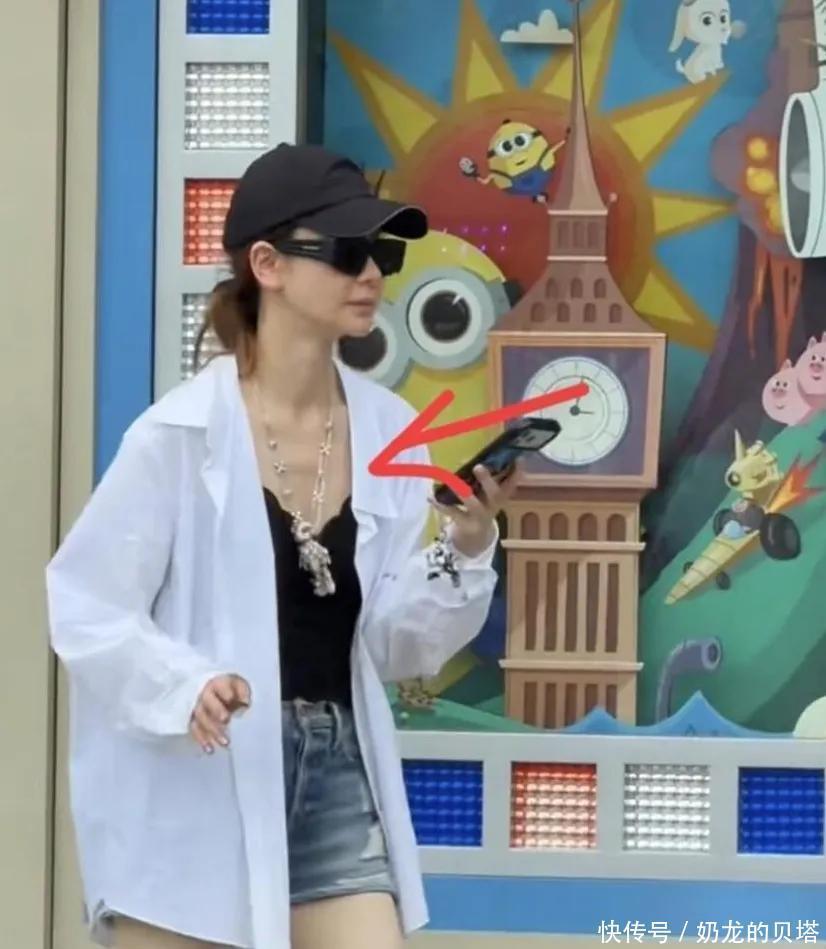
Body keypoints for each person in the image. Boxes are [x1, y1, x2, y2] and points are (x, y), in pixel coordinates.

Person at [46, 143, 518, 949]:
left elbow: (391, 643)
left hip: (336, 770)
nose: (369, 273)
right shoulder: (178, 435)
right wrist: (185, 683)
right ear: (266, 264)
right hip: (197, 781)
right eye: (344, 250)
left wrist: (466, 543)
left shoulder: (389, 432)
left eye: (381, 253)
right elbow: (86, 603)